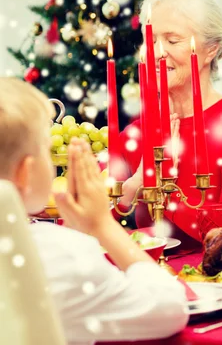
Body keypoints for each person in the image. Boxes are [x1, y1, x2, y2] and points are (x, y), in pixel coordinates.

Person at [0, 77, 188, 343]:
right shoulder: (56, 253)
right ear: (25, 172)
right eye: (46, 147)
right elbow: (168, 307)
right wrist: (103, 226)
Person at [118, 0, 222, 247]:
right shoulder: (136, 132)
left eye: (172, 40)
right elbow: (91, 217)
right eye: (151, 39)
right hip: (151, 280)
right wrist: (134, 184)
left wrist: (162, 191)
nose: (156, 52)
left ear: (210, 50)